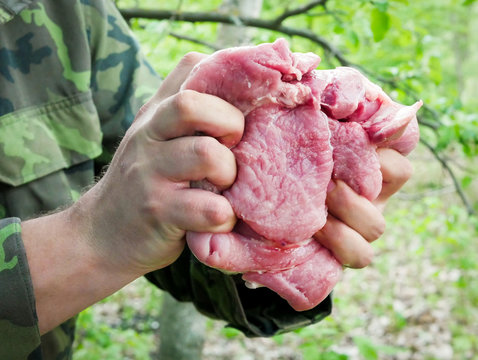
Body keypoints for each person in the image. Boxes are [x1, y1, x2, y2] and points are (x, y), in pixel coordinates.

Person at [0, 0, 413, 359]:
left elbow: (154, 196)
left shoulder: (65, 10)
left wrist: (272, 233)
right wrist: (89, 238)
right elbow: (113, 223)